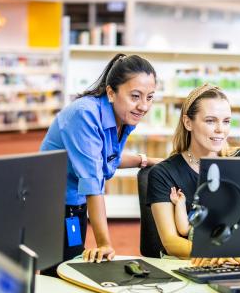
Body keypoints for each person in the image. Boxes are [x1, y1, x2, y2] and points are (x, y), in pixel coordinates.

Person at [147, 84, 240, 293]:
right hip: (186, 270)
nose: (220, 129)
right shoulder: (164, 173)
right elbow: (170, 241)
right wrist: (215, 255)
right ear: (188, 122)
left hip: (237, 269)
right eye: (210, 121)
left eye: (226, 121)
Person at [40, 53, 160, 269]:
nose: (143, 106)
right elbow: (93, 181)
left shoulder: (122, 116)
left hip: (74, 203)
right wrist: (104, 243)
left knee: (72, 258)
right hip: (53, 204)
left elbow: (106, 159)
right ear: (111, 93)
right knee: (59, 268)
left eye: (149, 97)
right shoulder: (84, 115)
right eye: (135, 96)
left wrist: (147, 160)